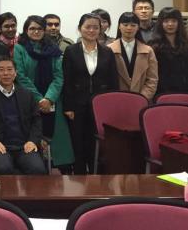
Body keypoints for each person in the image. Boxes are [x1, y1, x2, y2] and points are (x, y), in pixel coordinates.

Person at [14, 15, 74, 170]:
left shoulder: (53, 49)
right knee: (33, 142)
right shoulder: (19, 48)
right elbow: (20, 76)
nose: (36, 31)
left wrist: (49, 98)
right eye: (32, 28)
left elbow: (59, 76)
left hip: (53, 101)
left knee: (57, 143)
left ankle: (57, 172)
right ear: (26, 30)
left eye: (40, 28)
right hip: (28, 100)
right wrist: (39, 99)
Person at [63, 13, 118, 174]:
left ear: (101, 30)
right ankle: (80, 177)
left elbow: (113, 80)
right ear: (80, 29)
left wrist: (111, 106)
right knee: (78, 142)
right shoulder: (71, 51)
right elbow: (67, 80)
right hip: (77, 105)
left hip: (100, 106)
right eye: (88, 27)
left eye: (95, 27)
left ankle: (97, 178)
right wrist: (68, 106)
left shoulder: (107, 52)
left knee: (97, 142)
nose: (92, 30)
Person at [0, 56, 47, 175]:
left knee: (37, 169)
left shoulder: (26, 94)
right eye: (1, 70)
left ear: (15, 72)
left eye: (9, 69)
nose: (6, 73)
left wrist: (32, 141)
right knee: (3, 168)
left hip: (24, 146)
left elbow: (36, 120)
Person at [108, 12, 158, 101]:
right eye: (125, 25)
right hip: (116, 99)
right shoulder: (109, 50)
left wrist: (142, 98)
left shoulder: (148, 51)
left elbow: (152, 79)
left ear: (138, 27)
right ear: (119, 26)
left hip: (141, 100)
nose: (129, 28)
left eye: (133, 25)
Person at [150, 7, 188, 94]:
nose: (170, 24)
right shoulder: (153, 46)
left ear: (179, 23)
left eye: (174, 21)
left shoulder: (185, 43)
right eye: (166, 21)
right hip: (162, 91)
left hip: (184, 90)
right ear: (160, 23)